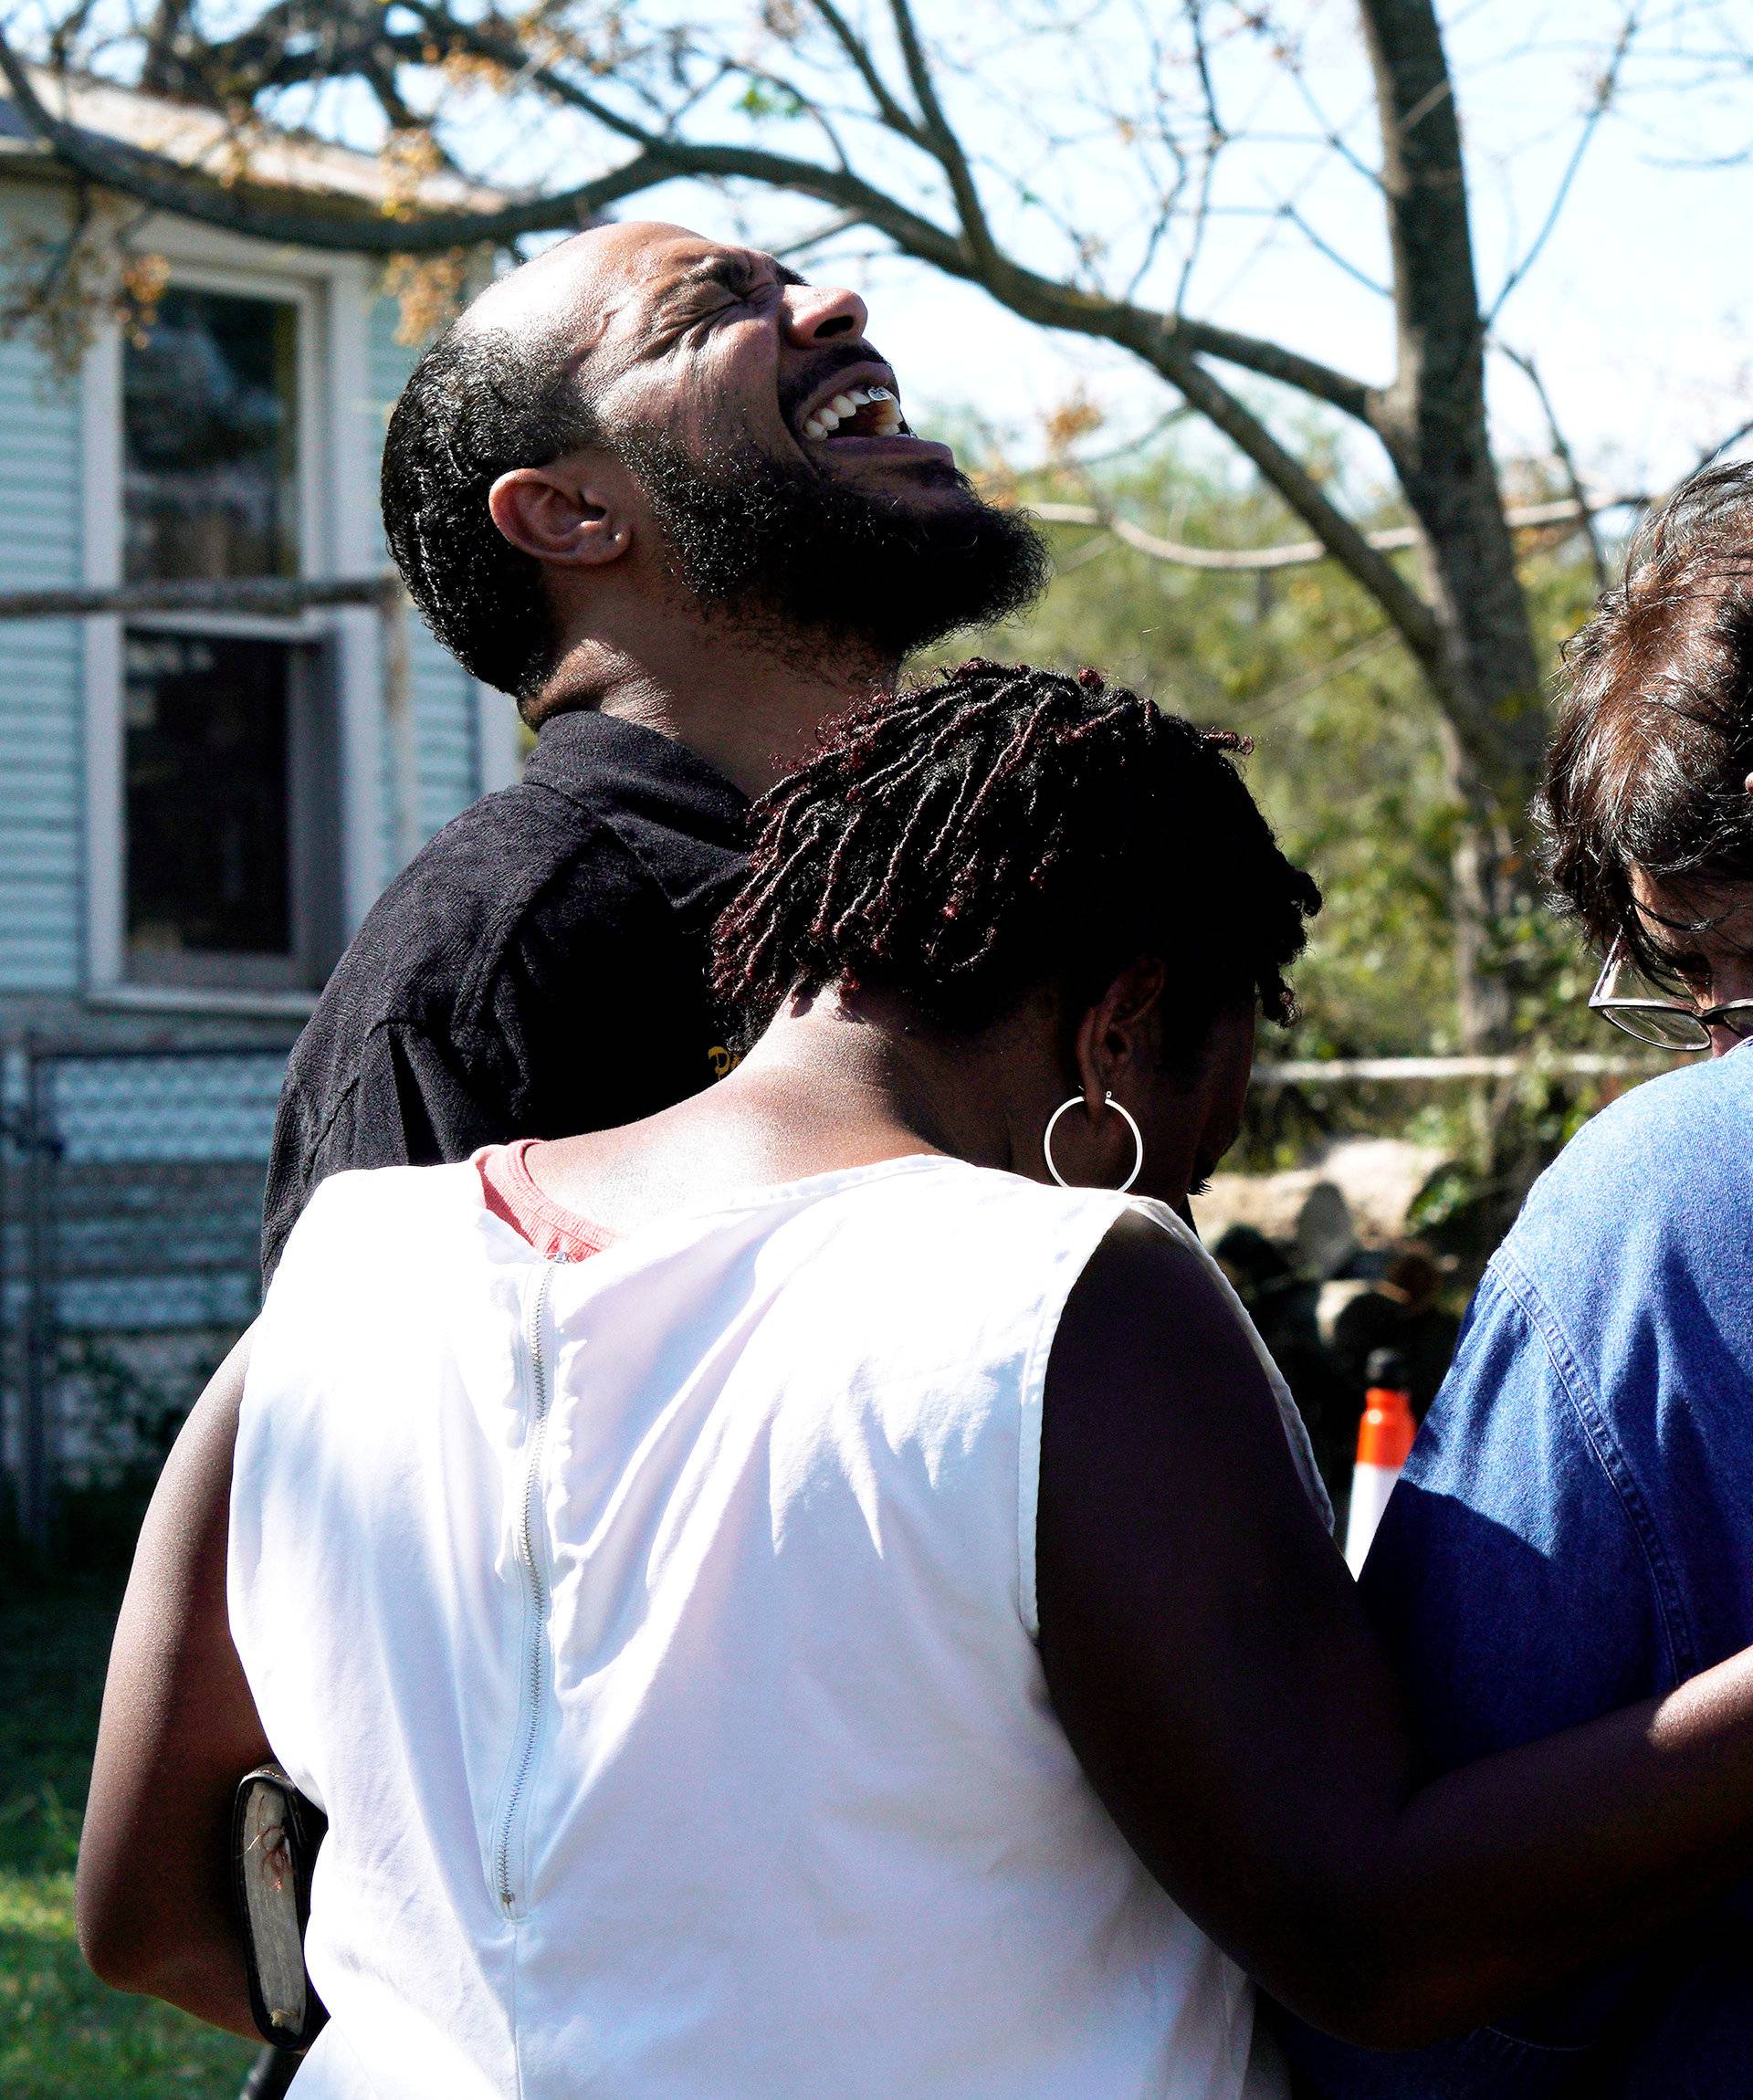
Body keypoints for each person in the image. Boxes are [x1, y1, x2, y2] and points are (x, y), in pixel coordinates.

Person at [78, 662, 1753, 2100]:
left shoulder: (349, 1274)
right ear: (1123, 1028)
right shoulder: (1067, 1301)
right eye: (1195, 1138)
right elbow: (1371, 1939)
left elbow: (142, 1913)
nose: (1174, 1199)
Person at [260, 218, 1045, 1279]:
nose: (834, 307)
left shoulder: (988, 892)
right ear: (572, 510)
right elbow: (397, 1439)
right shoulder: (494, 972)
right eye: (711, 307)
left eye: (796, 281)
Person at [1284, 463, 1753, 2098]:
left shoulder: (1670, 1205)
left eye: (1726, 959)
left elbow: (1432, 1960)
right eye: (1683, 980)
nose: (1714, 1036)